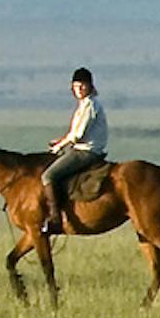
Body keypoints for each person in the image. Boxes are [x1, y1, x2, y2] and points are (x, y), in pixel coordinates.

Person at [41, 67, 107, 236]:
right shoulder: (84, 105)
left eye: (82, 86)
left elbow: (78, 135)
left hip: (86, 151)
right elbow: (74, 133)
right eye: (76, 86)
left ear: (90, 86)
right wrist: (61, 140)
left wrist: (59, 146)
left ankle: (55, 217)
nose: (79, 89)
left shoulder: (90, 105)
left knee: (48, 176)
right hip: (81, 148)